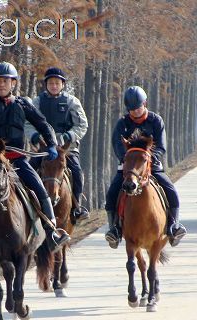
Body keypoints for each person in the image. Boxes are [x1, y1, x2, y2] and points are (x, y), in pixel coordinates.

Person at [0, 62, 71, 258]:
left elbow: (43, 124)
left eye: (5, 81)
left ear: (13, 83)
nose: (1, 84)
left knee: (39, 187)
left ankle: (52, 231)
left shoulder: (23, 104)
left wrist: (51, 144)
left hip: (17, 160)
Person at [104, 85, 187, 249]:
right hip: (129, 168)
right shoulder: (122, 123)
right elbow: (117, 144)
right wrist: (126, 159)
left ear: (145, 104)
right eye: (131, 109)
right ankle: (114, 229)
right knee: (112, 192)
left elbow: (161, 146)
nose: (134, 112)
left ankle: (173, 226)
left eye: (138, 108)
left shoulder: (156, 121)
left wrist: (150, 158)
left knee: (171, 190)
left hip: (151, 166)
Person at [26, 67, 90, 221]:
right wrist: (35, 137)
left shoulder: (72, 102)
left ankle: (77, 207)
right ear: (46, 84)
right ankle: (26, 205)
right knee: (28, 171)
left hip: (67, 149)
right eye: (51, 83)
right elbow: (28, 123)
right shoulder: (37, 102)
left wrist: (69, 136)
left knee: (77, 172)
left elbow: (82, 125)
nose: (54, 86)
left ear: (63, 84)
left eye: (57, 83)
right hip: (44, 148)